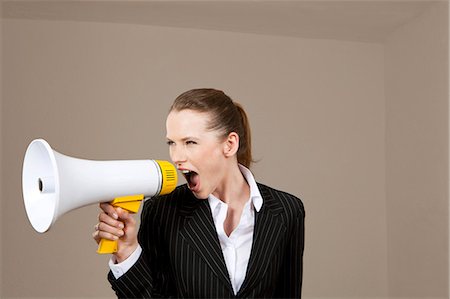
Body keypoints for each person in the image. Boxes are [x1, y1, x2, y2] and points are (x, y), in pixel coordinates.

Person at [93, 88, 305, 298]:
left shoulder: (286, 211)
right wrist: (127, 251)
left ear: (229, 145)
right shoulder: (162, 212)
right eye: (171, 143)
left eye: (190, 142)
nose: (176, 157)